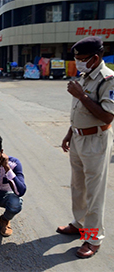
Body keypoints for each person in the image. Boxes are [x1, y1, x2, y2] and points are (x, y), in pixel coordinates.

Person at [57, 36, 114, 259]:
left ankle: (92, 238)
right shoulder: (85, 75)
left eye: (82, 59)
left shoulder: (107, 79)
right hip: (79, 138)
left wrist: (81, 94)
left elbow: (107, 115)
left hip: (96, 141)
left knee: (94, 193)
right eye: (76, 59)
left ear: (95, 58)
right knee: (78, 186)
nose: (78, 63)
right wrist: (70, 133)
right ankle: (79, 224)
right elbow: (78, 111)